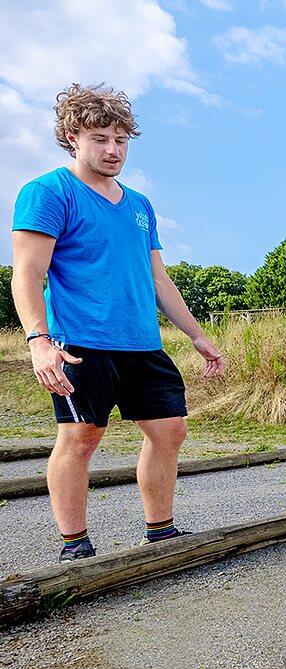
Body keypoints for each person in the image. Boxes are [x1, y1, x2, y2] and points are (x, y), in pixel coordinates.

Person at [10, 83, 225, 563]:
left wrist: (197, 335)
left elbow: (158, 279)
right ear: (72, 138)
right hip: (80, 341)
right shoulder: (48, 192)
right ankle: (75, 544)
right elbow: (27, 274)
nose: (113, 150)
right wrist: (38, 342)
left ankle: (161, 532)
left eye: (121, 140)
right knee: (82, 437)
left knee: (169, 431)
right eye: (100, 139)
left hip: (141, 342)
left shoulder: (139, 204)